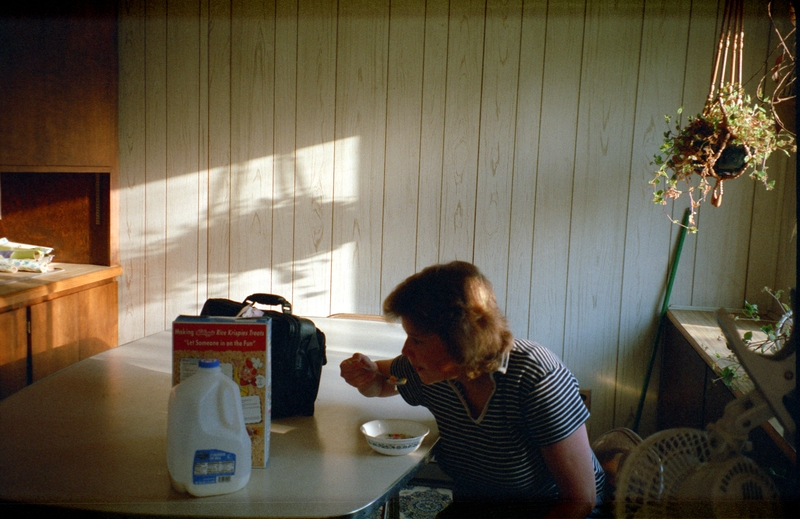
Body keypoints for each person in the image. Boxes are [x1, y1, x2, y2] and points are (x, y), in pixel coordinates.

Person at [340, 261, 605, 519]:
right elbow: (382, 382)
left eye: (418, 340)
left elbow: (580, 500)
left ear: (461, 341)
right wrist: (364, 376)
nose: (405, 350)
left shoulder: (535, 377)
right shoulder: (433, 371)